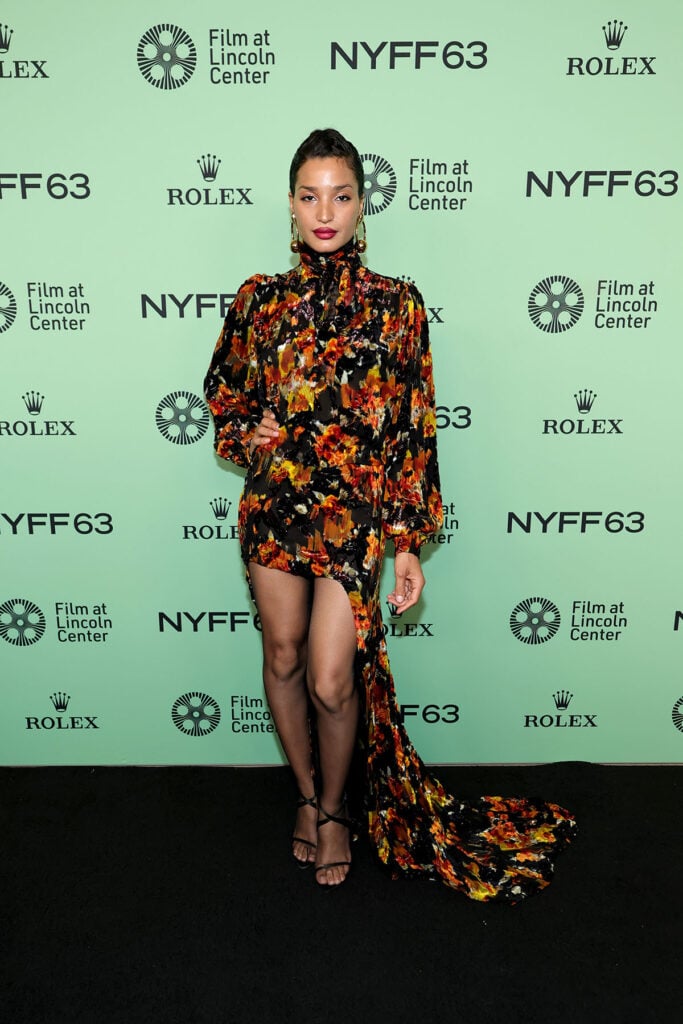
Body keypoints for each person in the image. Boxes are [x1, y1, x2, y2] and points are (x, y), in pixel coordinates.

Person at [204, 128, 575, 898]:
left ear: (363, 204)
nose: (325, 210)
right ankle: (307, 797)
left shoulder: (398, 305)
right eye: (310, 196)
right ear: (290, 206)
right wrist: (249, 432)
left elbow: (412, 427)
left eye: (340, 195)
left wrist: (407, 543)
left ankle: (337, 809)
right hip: (275, 508)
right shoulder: (258, 300)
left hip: (353, 519)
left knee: (334, 679)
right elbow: (225, 399)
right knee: (283, 657)